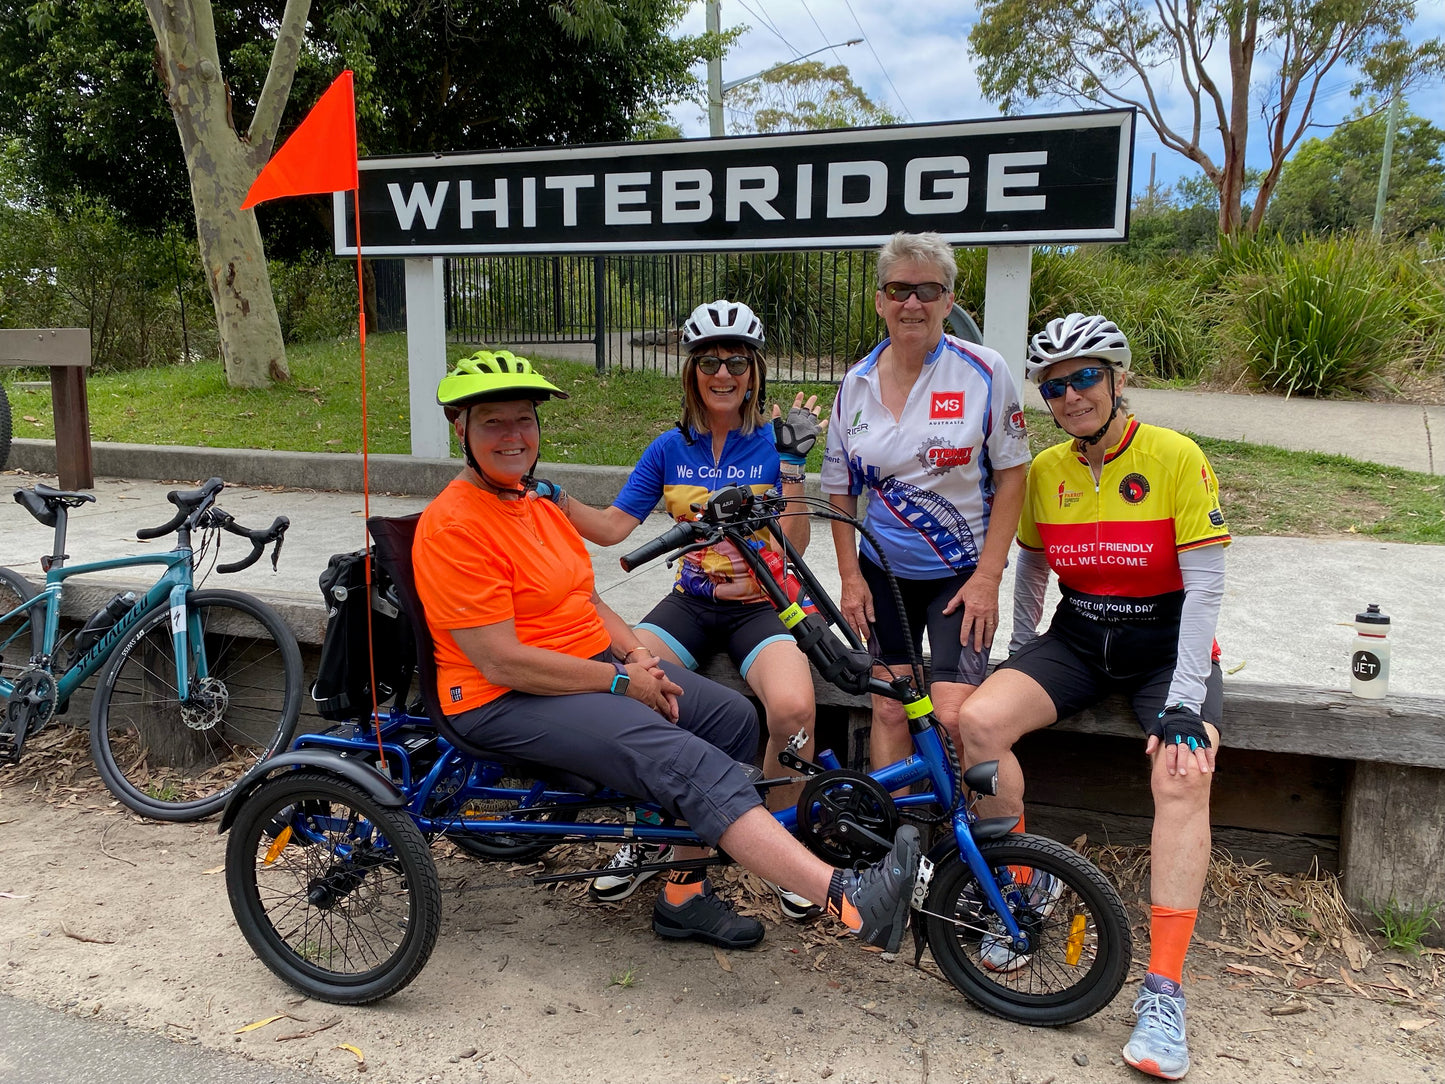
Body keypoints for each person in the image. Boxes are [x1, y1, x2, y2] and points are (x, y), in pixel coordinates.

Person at [411, 349, 918, 955]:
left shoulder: (530, 502)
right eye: (493, 422)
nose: (514, 435)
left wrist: (633, 655)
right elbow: (501, 661)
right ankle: (848, 899)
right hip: (503, 697)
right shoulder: (456, 526)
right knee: (684, 760)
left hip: (582, 668)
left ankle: (682, 896)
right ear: (460, 429)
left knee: (733, 721)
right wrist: (622, 684)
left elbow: (585, 598)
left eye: (524, 419)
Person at [956, 314, 1228, 1081]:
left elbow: (1205, 583)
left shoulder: (1173, 457)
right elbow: (1033, 570)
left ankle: (1163, 991)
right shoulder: (1046, 470)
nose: (1069, 395)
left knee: (1182, 771)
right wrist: (1017, 655)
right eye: (1054, 385)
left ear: (1115, 379)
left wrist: (1181, 702)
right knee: (976, 720)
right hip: (1078, 638)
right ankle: (1018, 892)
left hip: (1163, 647)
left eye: (1083, 378)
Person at [550, 300, 827, 919]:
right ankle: (647, 832)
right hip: (691, 602)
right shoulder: (670, 447)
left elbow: (797, 545)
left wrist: (793, 470)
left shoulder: (774, 441)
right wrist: (554, 496)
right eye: (708, 361)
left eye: (735, 360)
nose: (722, 372)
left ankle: (782, 839)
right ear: (691, 371)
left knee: (792, 708)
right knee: (632, 686)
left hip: (766, 606)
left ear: (754, 371)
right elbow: (614, 527)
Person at [821, 231, 1030, 770]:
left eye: (927, 290)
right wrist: (850, 575)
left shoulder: (983, 371)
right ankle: (901, 840)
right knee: (891, 711)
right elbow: (841, 488)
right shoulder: (855, 385)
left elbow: (1012, 476)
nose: (912, 302)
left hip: (960, 575)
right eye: (898, 289)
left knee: (955, 713)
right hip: (882, 572)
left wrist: (988, 578)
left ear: (948, 301)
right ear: (880, 301)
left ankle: (973, 843)